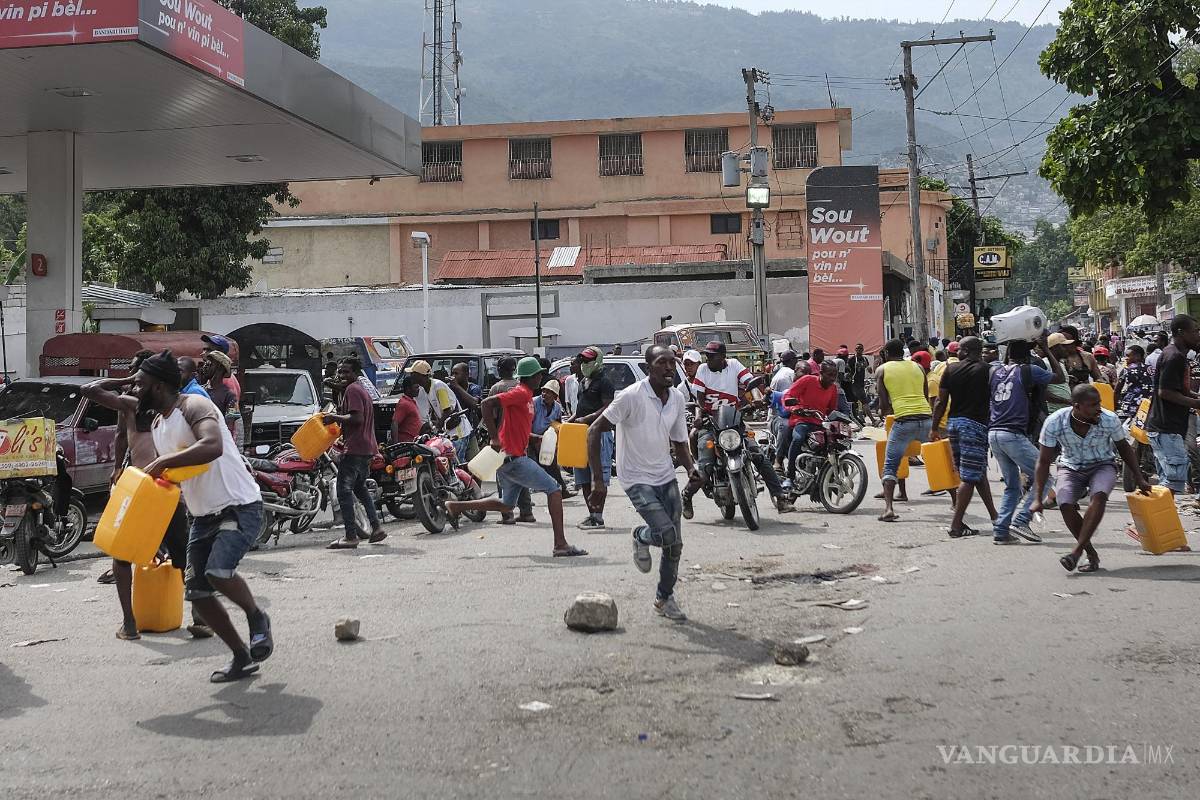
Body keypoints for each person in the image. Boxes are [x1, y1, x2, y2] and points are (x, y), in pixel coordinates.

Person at [134, 351, 271, 683]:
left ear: (157, 386)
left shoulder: (195, 406)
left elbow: (212, 446)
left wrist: (164, 463)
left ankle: (257, 617)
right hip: (202, 515)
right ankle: (241, 656)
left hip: (238, 505)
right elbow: (172, 478)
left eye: (139, 383)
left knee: (218, 572)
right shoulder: (157, 424)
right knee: (196, 591)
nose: (133, 388)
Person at [82, 353, 212, 641]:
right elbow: (89, 390)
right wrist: (131, 379)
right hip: (143, 490)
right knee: (128, 556)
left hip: (164, 492)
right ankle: (131, 623)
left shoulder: (169, 411)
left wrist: (133, 379)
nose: (137, 386)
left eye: (142, 381)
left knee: (177, 557)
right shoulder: (132, 405)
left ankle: (198, 617)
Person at [588, 346, 700, 622]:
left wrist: (691, 467)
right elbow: (593, 431)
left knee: (675, 546)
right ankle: (640, 535)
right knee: (665, 534)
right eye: (662, 362)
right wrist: (599, 483)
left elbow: (680, 442)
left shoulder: (675, 398)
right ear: (649, 366)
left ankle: (664, 598)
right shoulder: (631, 396)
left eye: (672, 362)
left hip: (665, 476)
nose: (669, 368)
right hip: (636, 478)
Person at [446, 357, 588, 558]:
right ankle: (560, 544)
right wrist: (494, 437)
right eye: (538, 374)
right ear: (531, 377)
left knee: (506, 504)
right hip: (512, 457)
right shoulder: (521, 393)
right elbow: (486, 404)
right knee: (554, 490)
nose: (541, 377)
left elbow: (517, 426)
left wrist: (534, 438)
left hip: (509, 456)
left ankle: (456, 506)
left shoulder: (528, 396)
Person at [1032, 384, 1152, 573]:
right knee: (1065, 504)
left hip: (1102, 465)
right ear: (1077, 406)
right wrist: (1038, 498)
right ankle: (1090, 553)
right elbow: (1044, 461)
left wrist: (1139, 478)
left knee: (1099, 496)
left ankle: (1076, 552)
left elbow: (1124, 448)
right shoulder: (1055, 421)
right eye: (1093, 405)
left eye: (1099, 403)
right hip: (1070, 467)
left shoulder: (1109, 419)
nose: (1099, 408)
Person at [684, 341, 793, 517]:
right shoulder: (703, 370)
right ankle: (687, 495)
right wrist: (699, 416)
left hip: (734, 421)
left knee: (758, 454)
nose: (708, 359)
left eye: (712, 356)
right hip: (710, 424)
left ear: (722, 357)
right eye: (707, 355)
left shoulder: (734, 365)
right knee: (705, 466)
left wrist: (757, 398)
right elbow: (699, 400)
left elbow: (751, 383)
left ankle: (780, 497)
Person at [987, 337, 1064, 544]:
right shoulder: (1028, 370)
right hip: (1013, 433)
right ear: (1027, 356)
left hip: (994, 433)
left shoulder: (995, 371)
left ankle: (1001, 531)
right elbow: (1059, 377)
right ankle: (1022, 520)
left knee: (1012, 486)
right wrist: (1047, 350)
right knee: (1045, 477)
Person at [931, 337, 998, 538]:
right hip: (975, 425)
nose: (956, 352)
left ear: (967, 350)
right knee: (970, 476)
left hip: (954, 425)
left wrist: (934, 427)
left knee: (975, 473)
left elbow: (940, 402)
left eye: (959, 349)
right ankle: (956, 525)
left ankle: (996, 517)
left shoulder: (950, 370)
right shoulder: (988, 371)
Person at [324, 358, 388, 549]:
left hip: (356, 448)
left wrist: (334, 417)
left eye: (346, 372)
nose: (342, 376)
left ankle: (350, 535)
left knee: (344, 491)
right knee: (360, 488)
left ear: (355, 373)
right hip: (366, 447)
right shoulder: (359, 390)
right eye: (340, 372)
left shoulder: (353, 390)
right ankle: (376, 528)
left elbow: (356, 418)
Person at [876, 339, 930, 523]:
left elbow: (883, 405)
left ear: (885, 353)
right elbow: (924, 394)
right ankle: (955, 502)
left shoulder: (882, 370)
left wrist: (887, 413)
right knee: (939, 459)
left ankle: (889, 508)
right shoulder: (918, 367)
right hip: (926, 418)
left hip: (904, 421)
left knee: (890, 464)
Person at [1145, 314, 1200, 494]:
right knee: (1174, 481)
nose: (1198, 335)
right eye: (1195, 331)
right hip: (1166, 427)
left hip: (1168, 427)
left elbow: (1179, 389)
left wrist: (1195, 398)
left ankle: (1151, 521)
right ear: (1181, 332)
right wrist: (1196, 403)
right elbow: (1165, 392)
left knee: (1168, 481)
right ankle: (1145, 521)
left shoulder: (1177, 355)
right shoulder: (1173, 356)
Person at [569, 347, 616, 531]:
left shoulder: (604, 382)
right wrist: (570, 421)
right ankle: (592, 514)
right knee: (583, 476)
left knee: (599, 475)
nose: (584, 364)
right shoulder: (583, 382)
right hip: (581, 433)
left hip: (600, 434)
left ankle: (598, 517)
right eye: (583, 361)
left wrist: (587, 419)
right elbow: (580, 408)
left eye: (588, 361)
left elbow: (608, 408)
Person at [489, 357, 535, 523]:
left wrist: (492, 436)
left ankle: (507, 514)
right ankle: (526, 511)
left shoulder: (497, 388)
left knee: (503, 477)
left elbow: (491, 414)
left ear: (501, 370)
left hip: (504, 440)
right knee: (522, 475)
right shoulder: (522, 387)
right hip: (521, 438)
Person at [783, 361, 840, 481]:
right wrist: (795, 409)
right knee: (798, 439)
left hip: (820, 423)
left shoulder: (833, 388)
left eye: (835, 375)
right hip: (802, 421)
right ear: (821, 373)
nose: (832, 378)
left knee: (836, 442)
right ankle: (790, 475)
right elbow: (788, 396)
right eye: (829, 375)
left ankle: (830, 476)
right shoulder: (808, 380)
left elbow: (832, 409)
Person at [407, 359, 473, 461]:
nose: (411, 376)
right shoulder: (425, 389)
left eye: (413, 374)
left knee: (455, 463)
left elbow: (447, 411)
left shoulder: (438, 386)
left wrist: (437, 427)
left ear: (421, 375)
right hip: (448, 432)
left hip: (457, 432)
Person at [531, 378, 570, 494]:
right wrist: (535, 438)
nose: (544, 394)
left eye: (548, 392)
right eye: (543, 391)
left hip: (546, 440)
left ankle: (562, 489)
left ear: (554, 395)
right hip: (531, 438)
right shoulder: (534, 403)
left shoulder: (557, 407)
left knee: (552, 465)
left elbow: (558, 424)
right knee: (534, 467)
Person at [769, 351, 798, 469]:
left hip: (791, 413)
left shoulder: (782, 373)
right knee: (786, 427)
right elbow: (788, 401)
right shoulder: (788, 375)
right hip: (781, 415)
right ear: (791, 361)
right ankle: (779, 461)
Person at [1116, 345, 1153, 420]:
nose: (1126, 358)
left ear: (1138, 356)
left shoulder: (1126, 370)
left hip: (1130, 406)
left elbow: (1117, 390)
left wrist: (1115, 406)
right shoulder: (1150, 369)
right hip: (1148, 406)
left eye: (1128, 356)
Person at [201, 334, 241, 399]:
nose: (203, 353)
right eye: (203, 350)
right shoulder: (212, 379)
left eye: (208, 350)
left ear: (220, 353)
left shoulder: (227, 381)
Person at [390, 375, 423, 444]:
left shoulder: (411, 401)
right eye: (416, 387)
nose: (418, 389)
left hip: (414, 442)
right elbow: (394, 423)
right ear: (408, 389)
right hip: (407, 444)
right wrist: (395, 444)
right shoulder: (404, 403)